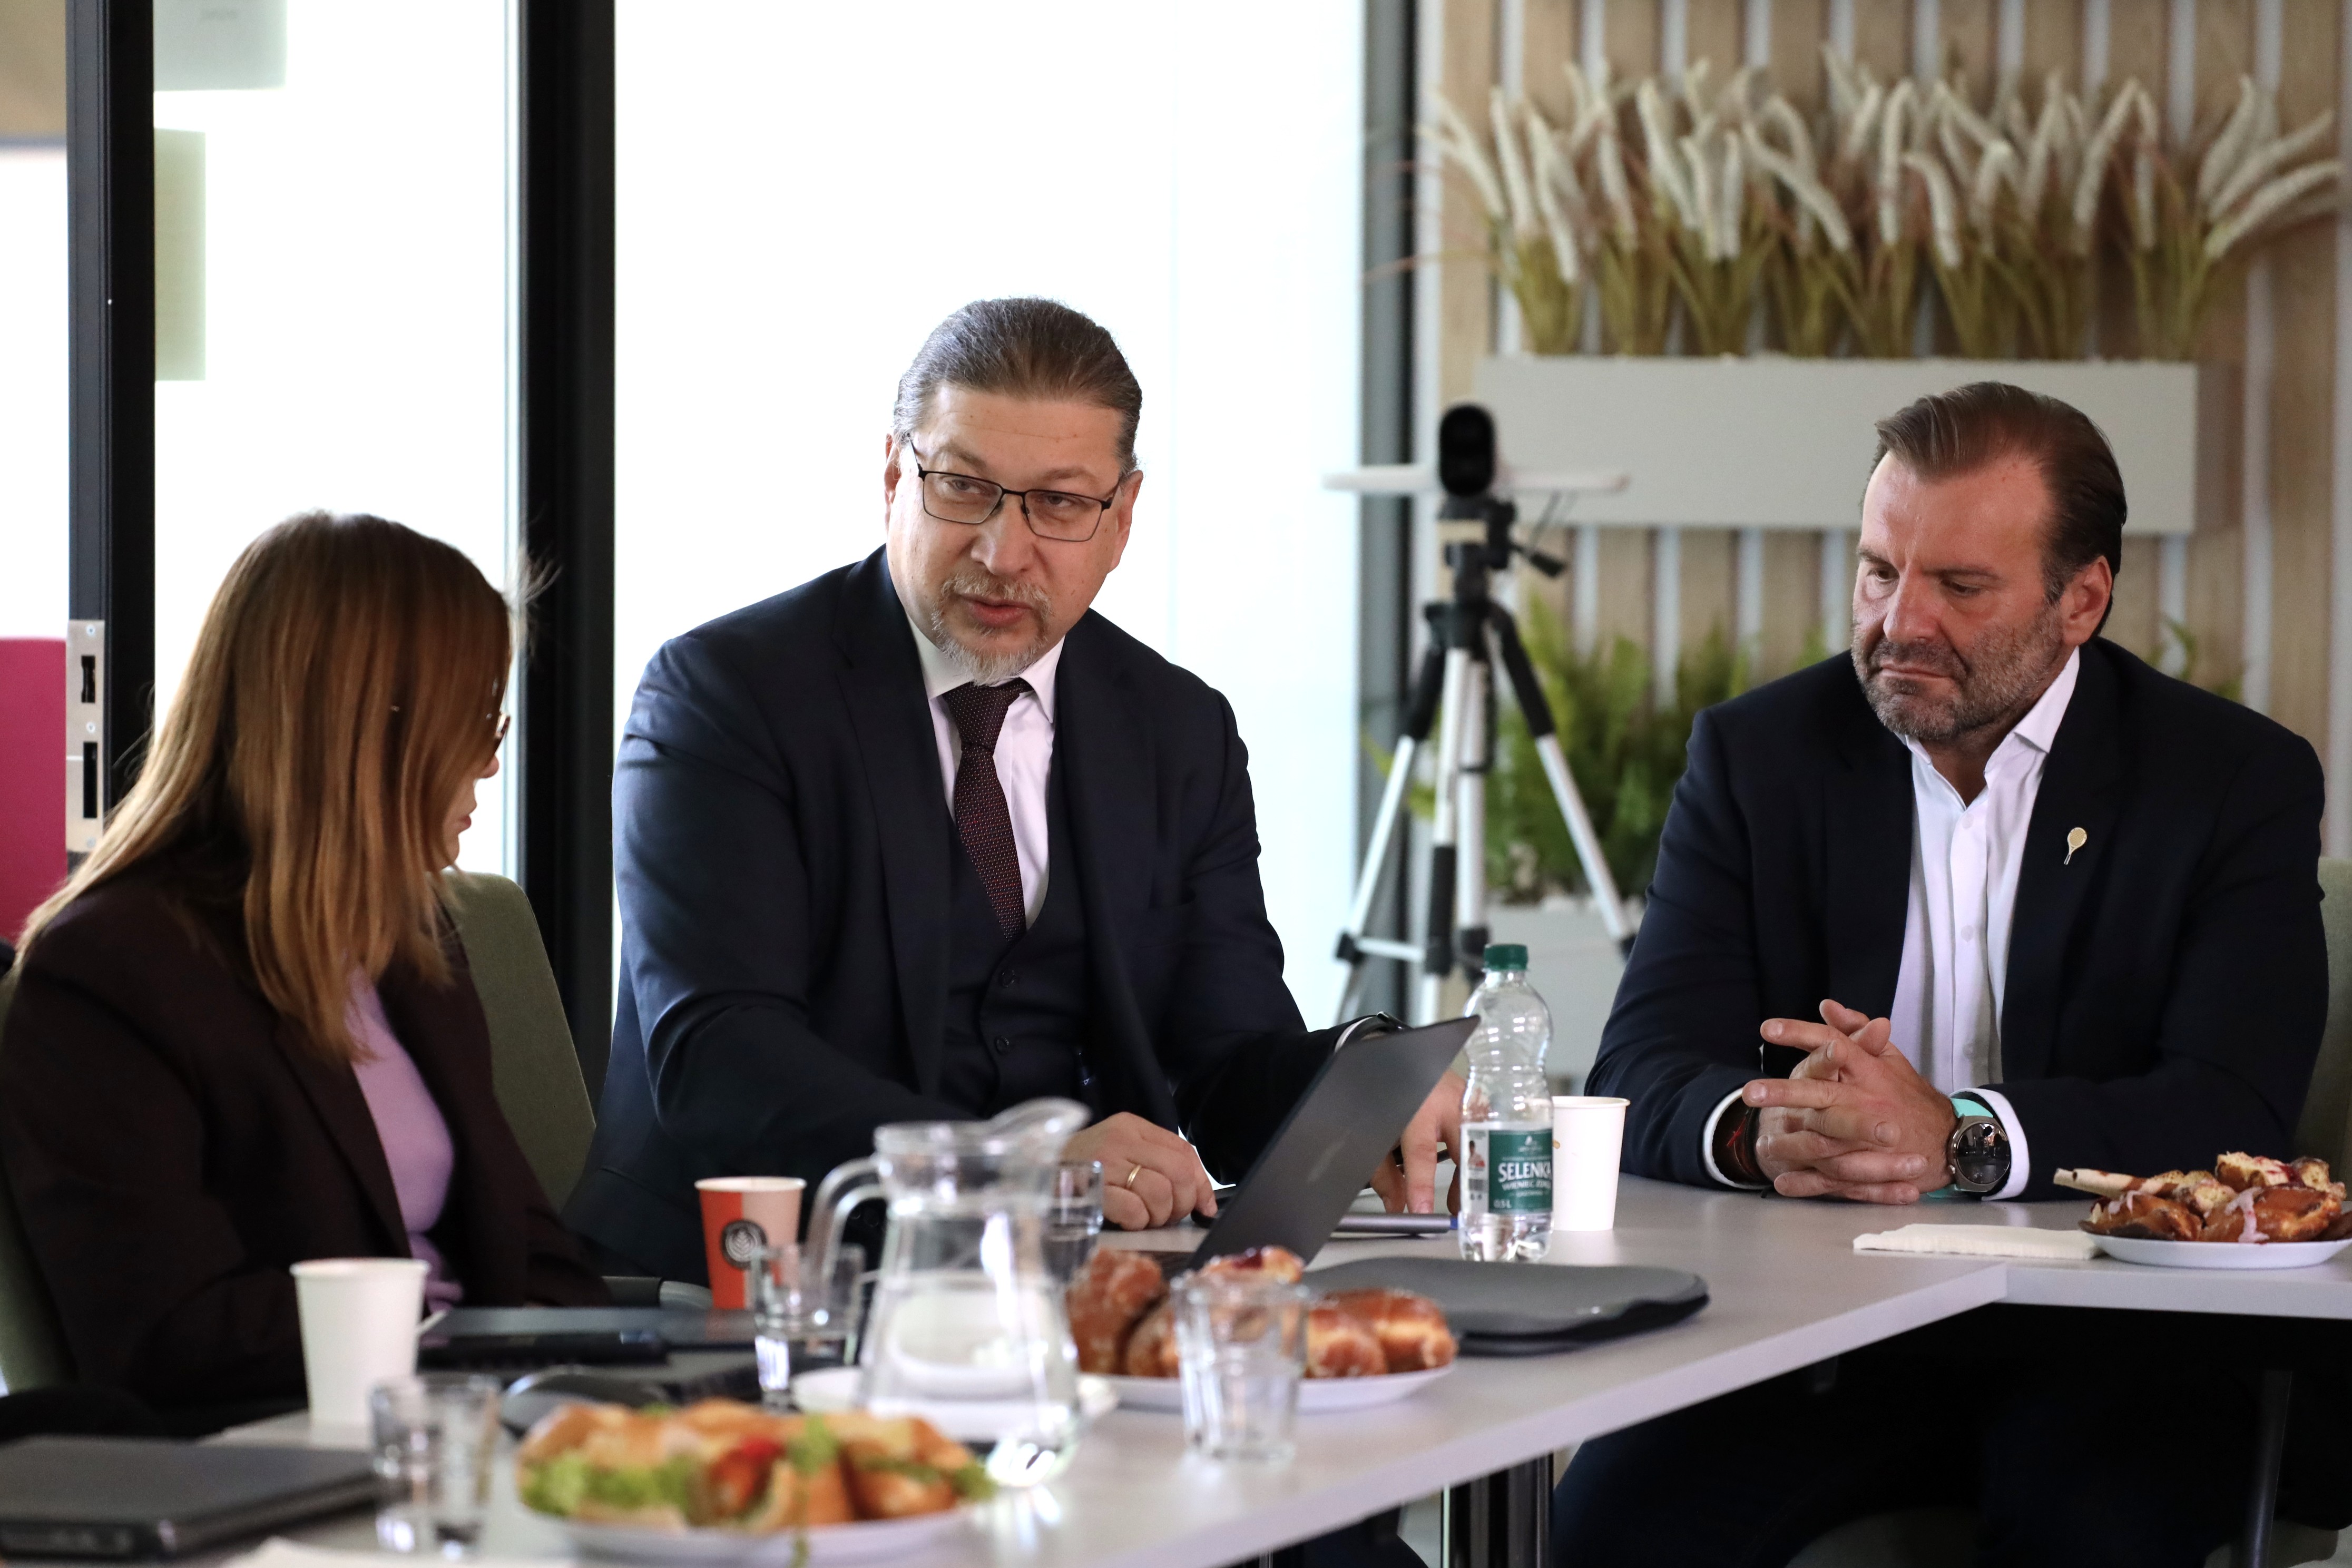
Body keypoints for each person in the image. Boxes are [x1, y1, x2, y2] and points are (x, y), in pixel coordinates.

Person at [1553, 384, 2331, 1565]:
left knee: (2092, 1528)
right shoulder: (1759, 757)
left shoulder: (2229, 780)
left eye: (1961, 587)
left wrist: (1960, 1138)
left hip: (2120, 1341)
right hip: (1819, 1334)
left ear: (2082, 600)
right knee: (1608, 1528)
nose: (1900, 621)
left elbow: (2232, 1106)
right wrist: (1761, 1133)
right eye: (1879, 572)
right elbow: (1643, 1065)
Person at [570, 297, 1464, 1280]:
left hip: (1074, 1291)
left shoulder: (1177, 730)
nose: (1003, 552)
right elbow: (720, 1061)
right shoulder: (726, 695)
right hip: (746, 1287)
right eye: (964, 488)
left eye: (1060, 504)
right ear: (893, 478)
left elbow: (1224, 1063)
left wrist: (1368, 1084)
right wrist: (1019, 1171)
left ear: (1122, 518)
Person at [0, 513, 606, 1424]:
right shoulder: (112, 971)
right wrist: (449, 1346)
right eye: (477, 720)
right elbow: (166, 1335)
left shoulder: (412, 942)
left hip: (464, 1418)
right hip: (285, 1445)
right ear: (368, 730)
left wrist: (595, 1384)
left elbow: (529, 1248)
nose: (490, 760)